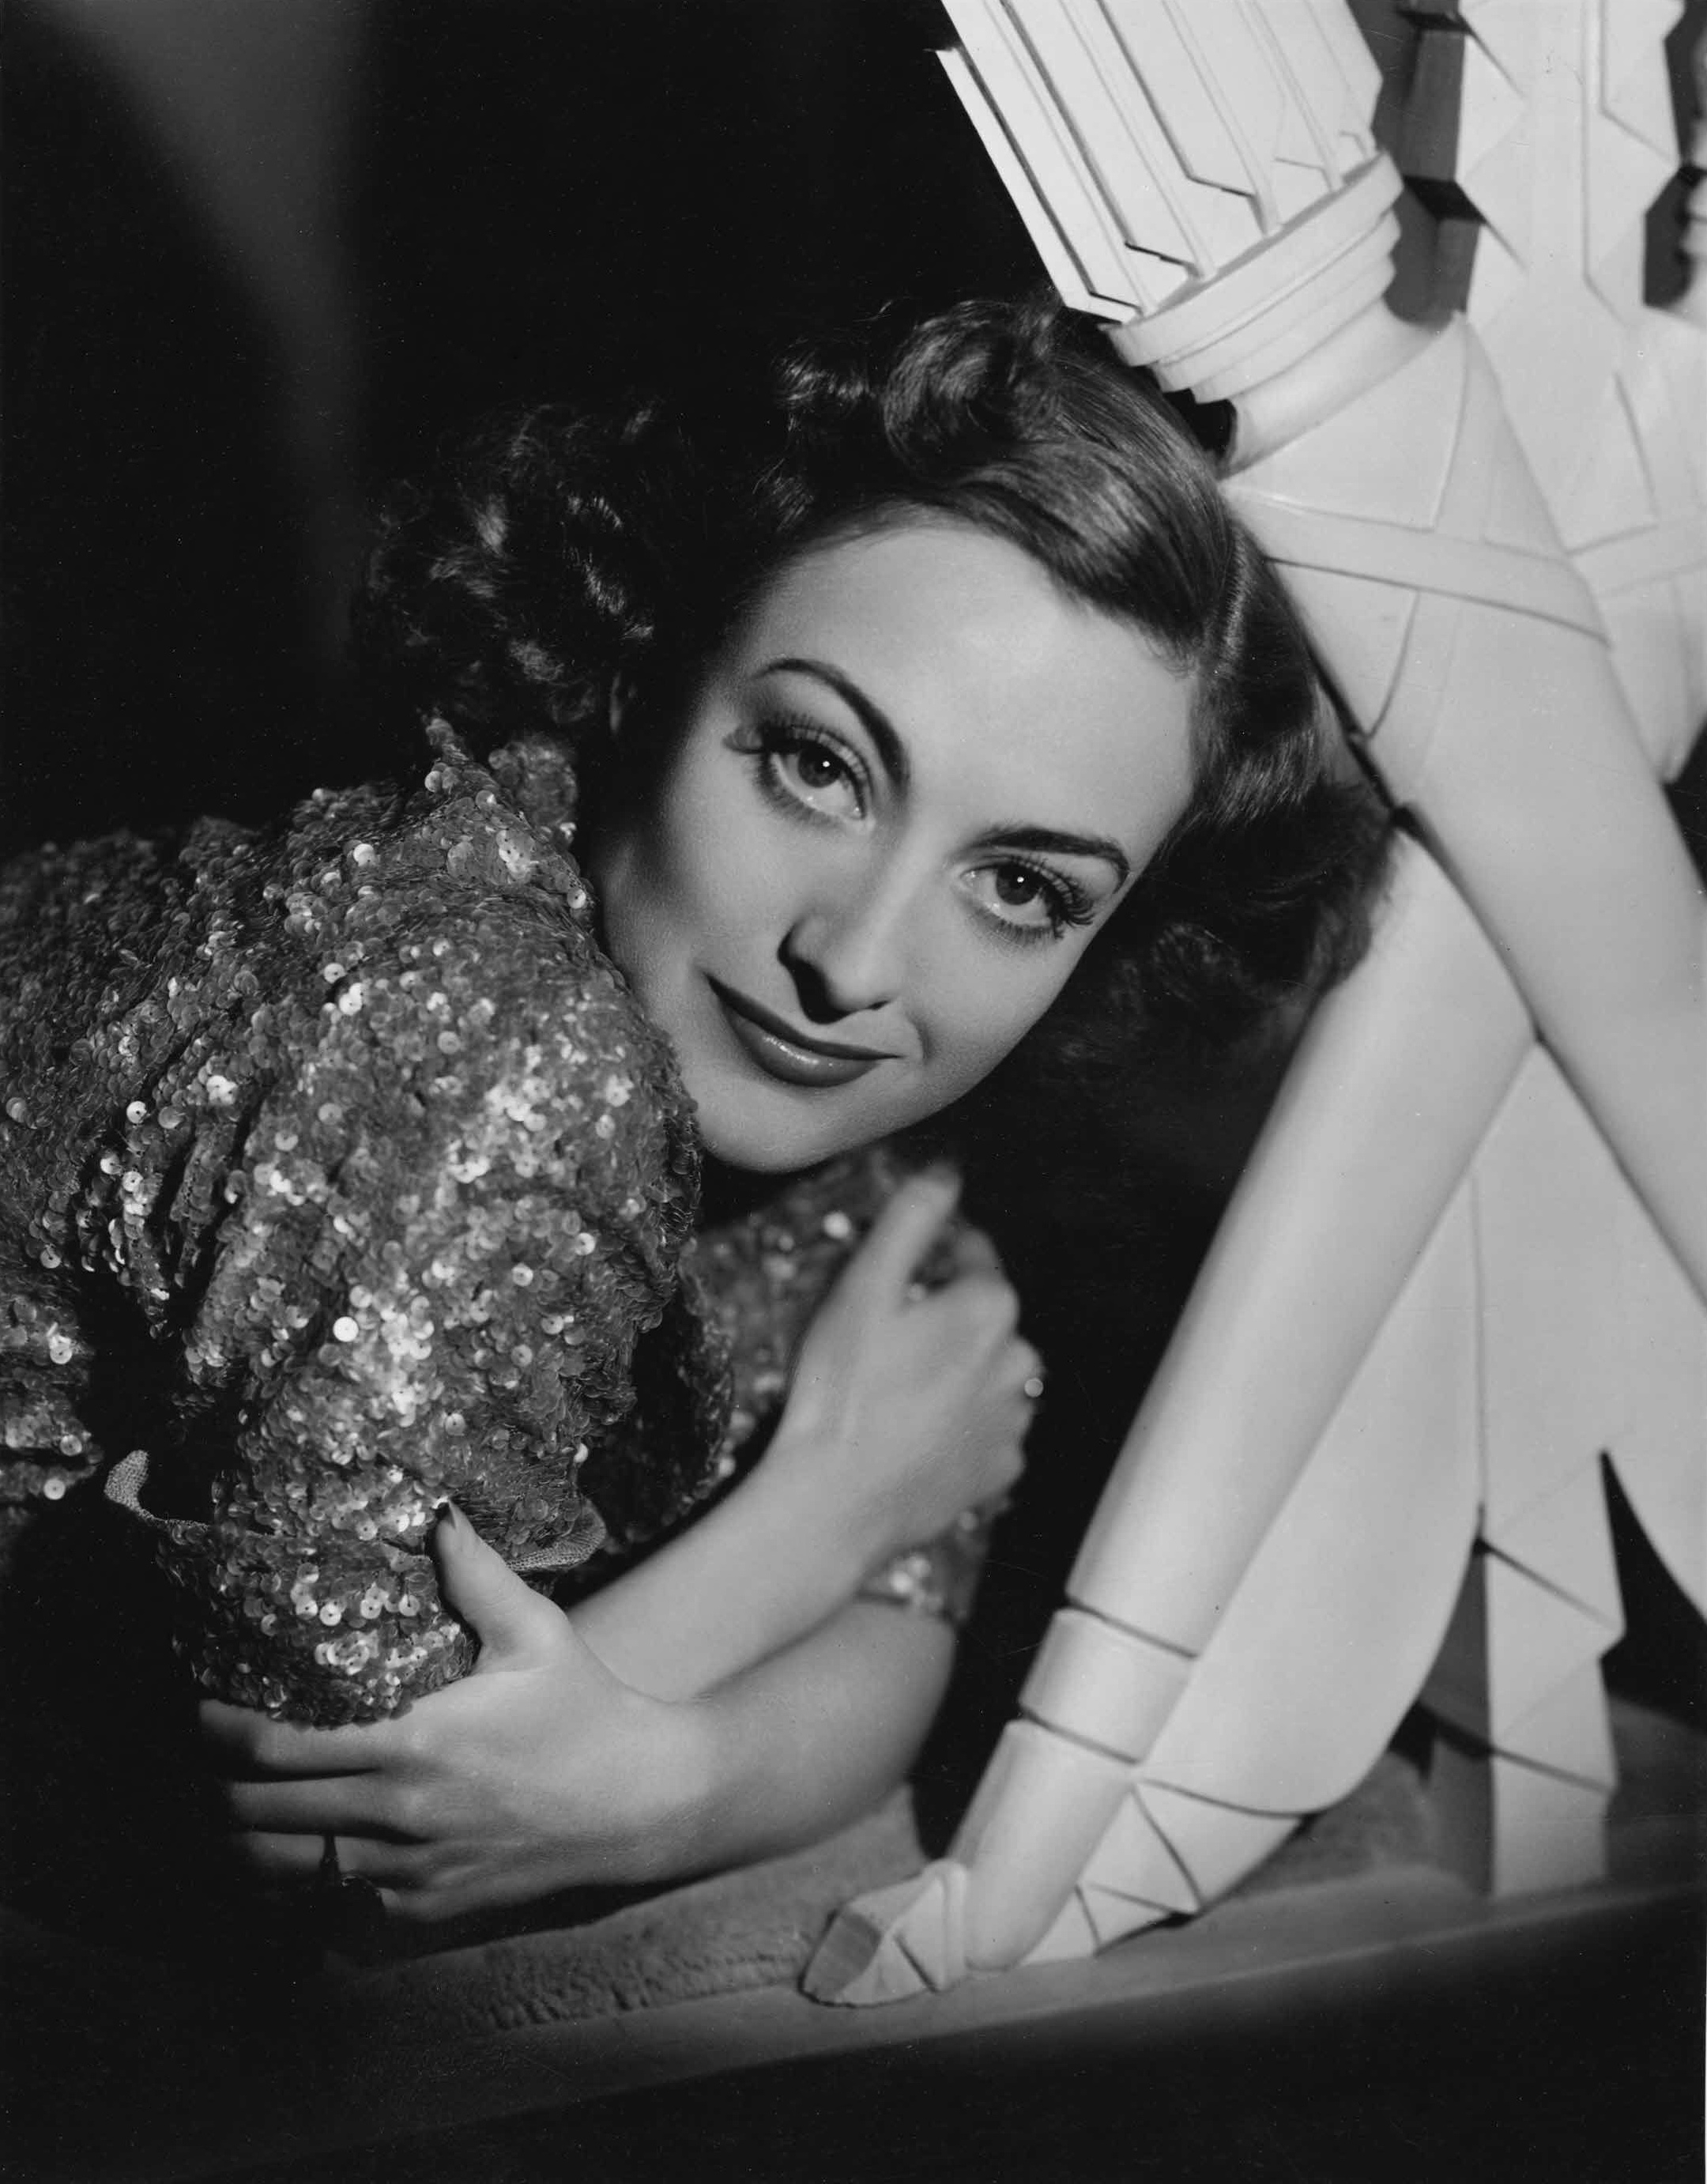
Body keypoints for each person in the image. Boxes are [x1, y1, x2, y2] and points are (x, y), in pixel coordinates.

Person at [1, 298, 1385, 1943]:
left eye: (1021, 886)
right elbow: (342, 1834)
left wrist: (669, 1776)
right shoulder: (497, 1039)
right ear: (648, 659)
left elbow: (907, 1618)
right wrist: (825, 1506)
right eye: (817, 764)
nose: (853, 962)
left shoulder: (809, 1128)